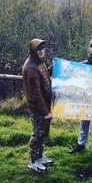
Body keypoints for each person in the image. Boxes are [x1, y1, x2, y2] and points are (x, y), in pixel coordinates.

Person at [22, 38, 53, 173]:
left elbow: (45, 76)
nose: (41, 51)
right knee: (37, 134)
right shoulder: (31, 68)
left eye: (43, 48)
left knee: (42, 133)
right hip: (38, 107)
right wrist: (45, 112)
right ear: (33, 51)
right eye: (38, 49)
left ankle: (40, 157)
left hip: (44, 105)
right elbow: (36, 94)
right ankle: (34, 161)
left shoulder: (38, 63)